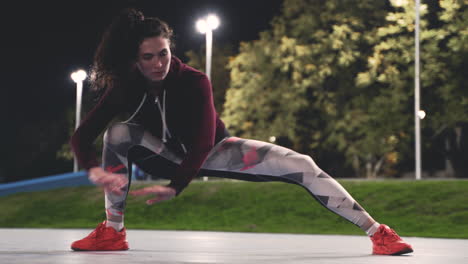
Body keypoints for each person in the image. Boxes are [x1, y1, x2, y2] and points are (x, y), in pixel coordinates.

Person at [69, 8, 413, 255]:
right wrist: (94, 169)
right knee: (117, 134)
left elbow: (204, 140)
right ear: (134, 59)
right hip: (164, 154)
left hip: (215, 150)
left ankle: (378, 233)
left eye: (164, 53)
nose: (159, 64)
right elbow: (82, 136)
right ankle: (113, 232)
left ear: (171, 49)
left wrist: (177, 187)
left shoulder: (194, 81)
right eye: (148, 57)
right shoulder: (125, 86)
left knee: (303, 163)